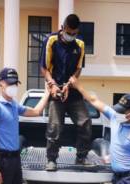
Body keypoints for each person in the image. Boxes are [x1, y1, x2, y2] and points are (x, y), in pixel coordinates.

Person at [40, 13, 91, 171]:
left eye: (75, 33)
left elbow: (78, 68)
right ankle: (51, 160)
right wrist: (52, 84)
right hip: (56, 90)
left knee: (85, 122)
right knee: (55, 127)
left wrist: (69, 84)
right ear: (62, 28)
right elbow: (44, 67)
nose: (72, 36)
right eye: (69, 33)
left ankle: (81, 157)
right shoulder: (51, 40)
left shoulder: (80, 44)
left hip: (73, 91)